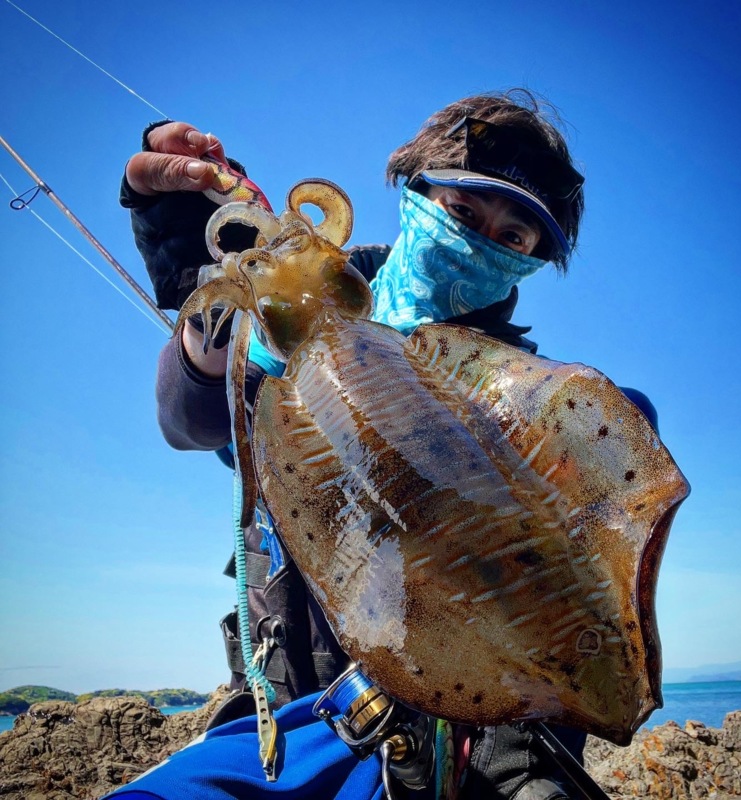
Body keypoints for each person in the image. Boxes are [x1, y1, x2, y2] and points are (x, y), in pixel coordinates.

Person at [113, 89, 658, 800]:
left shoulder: (536, 409)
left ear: (529, 263)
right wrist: (210, 294)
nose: (480, 240)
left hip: (482, 747)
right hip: (300, 725)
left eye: (513, 237)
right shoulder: (289, 358)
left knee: (622, 424)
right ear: (412, 191)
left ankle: (520, 740)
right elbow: (193, 418)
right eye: (463, 212)